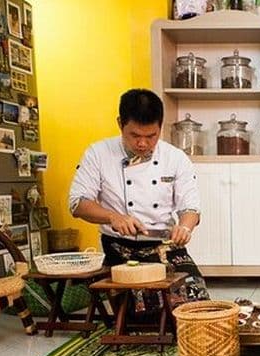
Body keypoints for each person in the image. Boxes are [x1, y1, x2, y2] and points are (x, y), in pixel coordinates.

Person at [69, 88, 209, 311]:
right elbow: (78, 204)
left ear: (160, 127)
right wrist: (112, 217)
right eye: (135, 135)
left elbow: (191, 207)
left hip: (166, 246)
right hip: (119, 248)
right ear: (120, 124)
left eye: (151, 136)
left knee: (195, 304)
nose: (143, 144)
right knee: (145, 313)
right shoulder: (98, 153)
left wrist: (185, 228)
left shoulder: (175, 158)